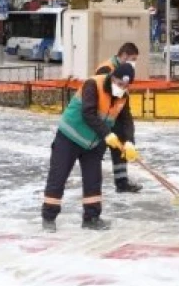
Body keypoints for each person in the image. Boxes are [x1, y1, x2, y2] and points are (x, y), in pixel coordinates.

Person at [42, 64, 138, 233]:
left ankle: (92, 217)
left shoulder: (124, 96)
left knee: (93, 179)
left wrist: (129, 141)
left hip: (93, 143)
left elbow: (126, 120)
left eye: (125, 86)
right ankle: (49, 217)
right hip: (69, 137)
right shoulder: (93, 85)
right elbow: (88, 113)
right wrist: (107, 134)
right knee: (58, 176)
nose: (121, 88)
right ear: (112, 77)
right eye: (119, 83)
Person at [94, 42, 142, 193]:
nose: (134, 63)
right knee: (97, 151)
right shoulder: (106, 69)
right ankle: (93, 184)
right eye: (133, 59)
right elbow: (101, 95)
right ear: (124, 56)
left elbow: (124, 103)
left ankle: (122, 182)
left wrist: (130, 140)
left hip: (117, 114)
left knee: (120, 147)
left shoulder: (125, 73)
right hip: (102, 117)